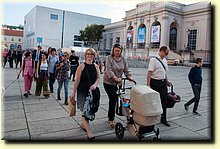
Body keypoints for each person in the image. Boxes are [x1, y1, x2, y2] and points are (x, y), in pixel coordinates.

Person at [70, 48, 100, 140]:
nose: (89, 55)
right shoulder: (81, 66)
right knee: (85, 111)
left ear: (94, 56)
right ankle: (89, 133)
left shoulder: (96, 66)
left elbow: (98, 77)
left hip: (92, 92)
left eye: (91, 54)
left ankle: (84, 125)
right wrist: (73, 92)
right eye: (87, 54)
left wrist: (95, 85)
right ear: (85, 55)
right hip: (82, 91)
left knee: (89, 110)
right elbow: (77, 80)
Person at [103, 44, 134, 128]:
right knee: (113, 99)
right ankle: (111, 119)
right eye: (115, 50)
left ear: (121, 51)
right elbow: (108, 69)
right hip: (108, 82)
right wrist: (115, 78)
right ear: (113, 50)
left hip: (118, 83)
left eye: (118, 51)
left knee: (117, 100)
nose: (117, 52)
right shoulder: (109, 58)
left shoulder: (123, 59)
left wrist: (129, 77)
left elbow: (126, 70)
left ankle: (111, 115)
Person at [147, 46, 172, 127]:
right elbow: (149, 73)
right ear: (161, 51)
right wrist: (148, 85)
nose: (167, 54)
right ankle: (151, 118)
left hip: (163, 83)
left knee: (164, 101)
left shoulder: (164, 60)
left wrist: (167, 81)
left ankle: (163, 118)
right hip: (155, 83)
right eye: (166, 53)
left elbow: (164, 72)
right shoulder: (153, 60)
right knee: (154, 101)